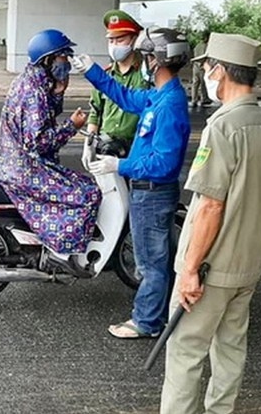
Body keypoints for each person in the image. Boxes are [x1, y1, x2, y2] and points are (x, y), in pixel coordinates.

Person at [160, 32, 261, 414]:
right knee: (231, 349)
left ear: (220, 71)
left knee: (186, 351)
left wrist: (187, 271)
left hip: (210, 268)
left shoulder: (223, 127)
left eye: (209, 70)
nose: (207, 78)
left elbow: (209, 207)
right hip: (248, 265)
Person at [70, 28, 192, 338]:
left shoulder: (169, 105)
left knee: (150, 263)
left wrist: (119, 164)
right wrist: (93, 72)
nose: (145, 61)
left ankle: (147, 323)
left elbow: (164, 163)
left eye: (149, 56)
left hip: (152, 193)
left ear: (158, 62)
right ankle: (157, 316)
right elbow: (124, 96)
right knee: (156, 260)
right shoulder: (158, 97)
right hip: (147, 192)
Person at [0, 29, 100, 277]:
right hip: (25, 169)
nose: (68, 62)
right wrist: (72, 126)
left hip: (20, 164)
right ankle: (60, 252)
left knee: (82, 186)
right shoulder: (33, 92)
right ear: (49, 59)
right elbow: (39, 143)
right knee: (88, 194)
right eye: (64, 56)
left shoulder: (33, 81)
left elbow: (43, 119)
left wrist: (59, 91)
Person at [82, 9, 148, 167]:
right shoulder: (105, 76)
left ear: (134, 39)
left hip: (136, 149)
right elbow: (95, 111)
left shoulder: (146, 75)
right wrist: (89, 143)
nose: (114, 45)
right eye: (111, 40)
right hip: (106, 148)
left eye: (120, 40)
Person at [191, 31, 212, 108]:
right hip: (202, 67)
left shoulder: (197, 46)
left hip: (195, 66)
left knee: (195, 84)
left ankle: (194, 100)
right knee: (203, 84)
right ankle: (204, 99)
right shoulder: (206, 46)